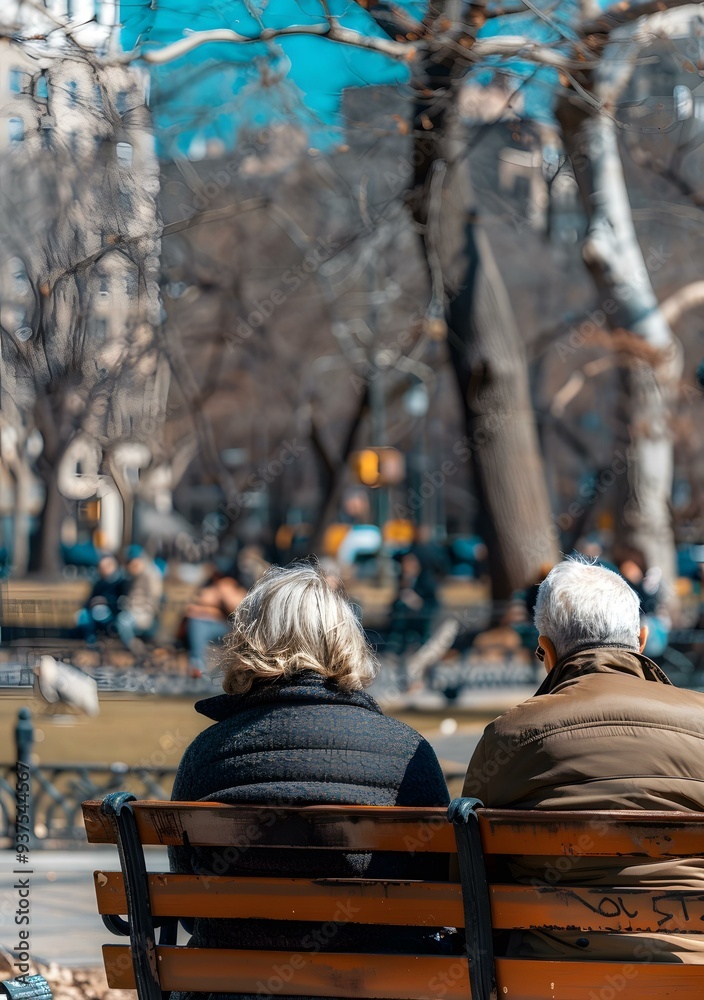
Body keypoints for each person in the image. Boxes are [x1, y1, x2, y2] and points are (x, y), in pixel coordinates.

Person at [169, 562, 450, 971]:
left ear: (250, 643)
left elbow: (188, 906)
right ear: (345, 640)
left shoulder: (206, 754)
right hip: (380, 985)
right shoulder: (409, 751)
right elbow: (436, 893)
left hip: (230, 985)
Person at [463, 556, 704, 963]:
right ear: (642, 640)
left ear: (547, 651)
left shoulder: (508, 736)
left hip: (545, 975)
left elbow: (470, 873)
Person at [182, 568, 247, 674]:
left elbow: (235, 609)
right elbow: (190, 608)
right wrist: (212, 610)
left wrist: (223, 594)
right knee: (197, 623)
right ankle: (197, 667)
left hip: (227, 627)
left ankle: (198, 666)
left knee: (198, 624)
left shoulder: (236, 590)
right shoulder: (208, 587)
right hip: (204, 623)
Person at [115, 547, 163, 652]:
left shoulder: (151, 574)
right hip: (132, 611)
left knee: (123, 621)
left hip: (145, 614)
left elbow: (155, 596)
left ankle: (135, 648)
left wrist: (143, 610)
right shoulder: (132, 576)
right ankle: (133, 647)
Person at [76, 554, 128, 643]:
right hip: (94, 610)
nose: (102, 569)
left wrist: (106, 602)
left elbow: (122, 601)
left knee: (100, 611)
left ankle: (108, 636)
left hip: (112, 613)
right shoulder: (99, 583)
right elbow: (90, 599)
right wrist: (91, 604)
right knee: (83, 614)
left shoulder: (121, 582)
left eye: (105, 567)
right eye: (101, 567)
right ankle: (90, 639)